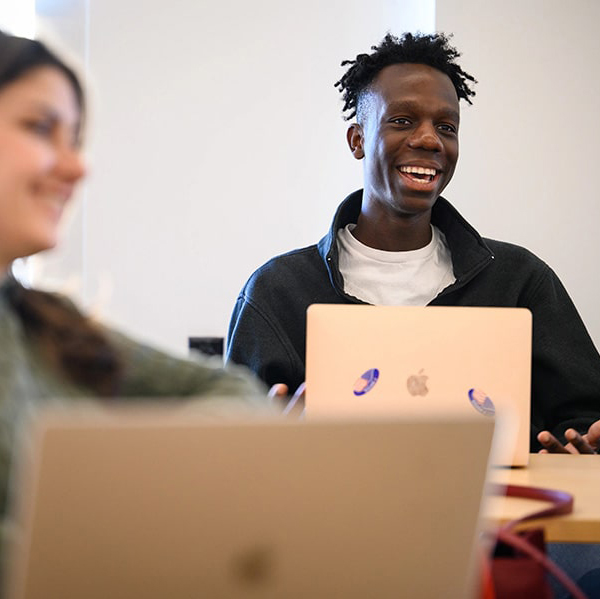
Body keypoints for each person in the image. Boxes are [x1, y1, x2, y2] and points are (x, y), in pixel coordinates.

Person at [226, 32, 600, 454]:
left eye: (446, 127)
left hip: (495, 516)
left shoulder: (520, 280)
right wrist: (276, 444)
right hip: (332, 515)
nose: (429, 140)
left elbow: (583, 420)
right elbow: (233, 452)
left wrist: (580, 447)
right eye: (402, 120)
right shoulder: (277, 292)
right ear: (357, 140)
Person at [0, 29, 271, 529]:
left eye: (76, 139)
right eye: (40, 127)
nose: (77, 166)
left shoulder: (46, 321)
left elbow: (234, 395)